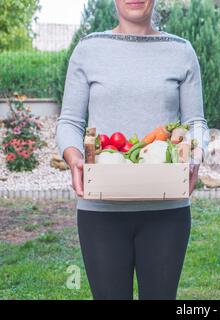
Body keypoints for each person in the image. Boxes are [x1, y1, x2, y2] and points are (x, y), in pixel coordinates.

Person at [56, 0, 209, 300]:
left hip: (167, 212)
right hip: (100, 212)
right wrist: (74, 158)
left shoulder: (181, 51)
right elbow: (69, 122)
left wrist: (195, 157)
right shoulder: (89, 49)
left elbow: (196, 122)